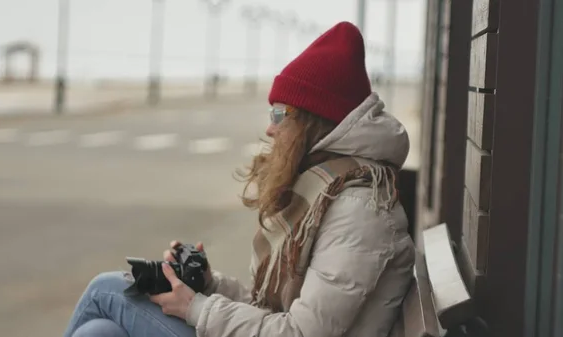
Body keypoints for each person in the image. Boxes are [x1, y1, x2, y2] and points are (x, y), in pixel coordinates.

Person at [63, 21, 414, 337]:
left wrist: (194, 307)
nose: (270, 128)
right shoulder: (327, 190)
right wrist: (209, 284)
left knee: (106, 289)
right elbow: (274, 311)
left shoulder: (358, 209)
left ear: (313, 122)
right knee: (98, 331)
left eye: (280, 114)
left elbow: (300, 332)